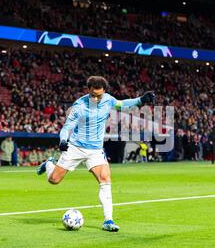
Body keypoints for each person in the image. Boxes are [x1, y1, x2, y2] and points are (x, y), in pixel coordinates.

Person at [37, 76, 155, 232]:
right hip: (75, 147)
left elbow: (122, 104)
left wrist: (141, 100)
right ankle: (49, 164)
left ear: (104, 92)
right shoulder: (79, 105)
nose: (97, 98)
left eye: (99, 95)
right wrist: (63, 140)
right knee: (54, 180)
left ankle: (108, 220)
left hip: (95, 150)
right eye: (93, 95)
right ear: (88, 90)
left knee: (105, 179)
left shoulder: (108, 100)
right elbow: (66, 127)